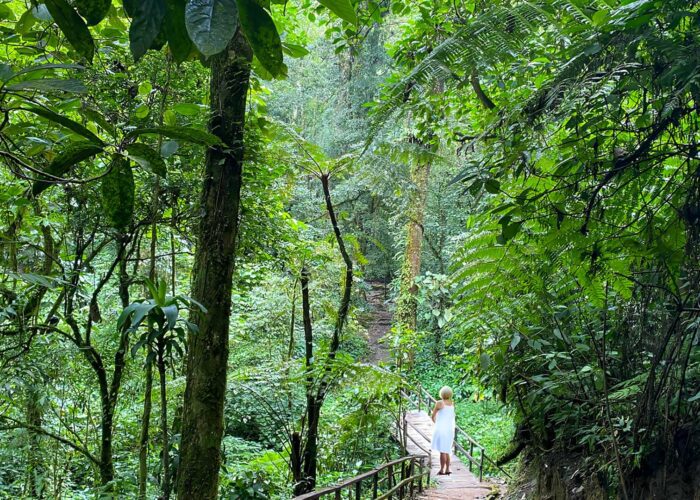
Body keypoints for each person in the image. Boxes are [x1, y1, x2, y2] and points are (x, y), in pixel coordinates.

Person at [431, 386, 455, 475]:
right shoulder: (452, 403)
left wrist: (436, 423)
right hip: (449, 429)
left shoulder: (439, 403)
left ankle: (441, 469)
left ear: (441, 393)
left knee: (442, 450)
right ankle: (448, 469)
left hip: (441, 429)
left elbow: (433, 416)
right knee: (447, 449)